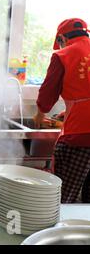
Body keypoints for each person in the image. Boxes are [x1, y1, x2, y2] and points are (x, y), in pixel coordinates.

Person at [34, 18, 90, 203]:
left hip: (80, 136)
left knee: (63, 196)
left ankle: (59, 231)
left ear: (62, 38)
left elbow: (48, 93)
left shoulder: (63, 55)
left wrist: (40, 114)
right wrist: (69, 111)